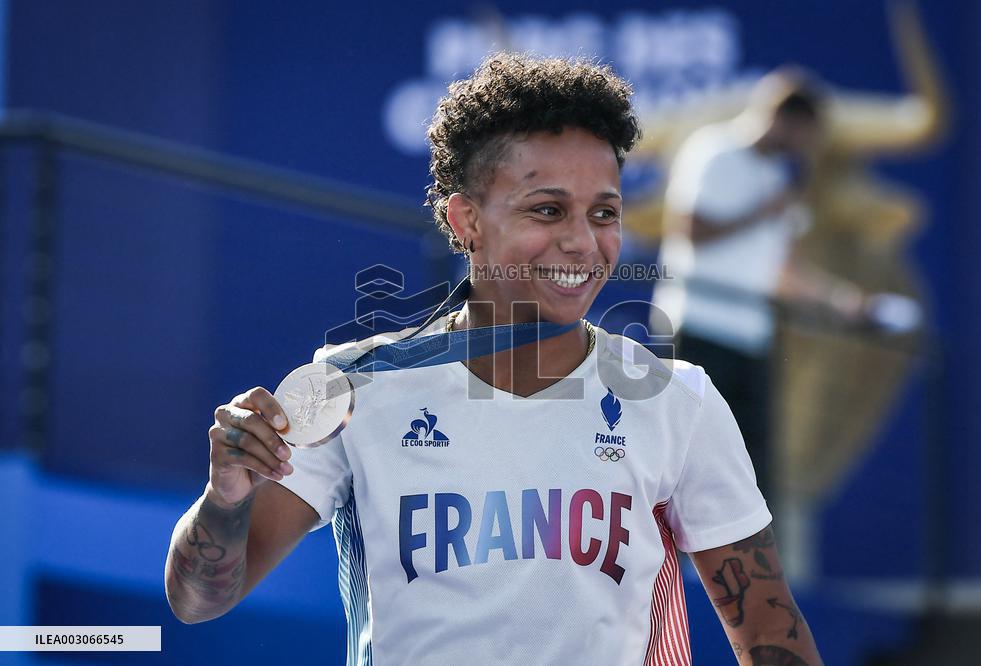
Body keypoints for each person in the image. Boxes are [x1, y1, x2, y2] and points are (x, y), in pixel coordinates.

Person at [164, 53, 822, 665]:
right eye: (547, 209)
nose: (582, 242)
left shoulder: (679, 401)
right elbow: (198, 602)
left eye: (604, 212)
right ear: (466, 220)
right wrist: (224, 502)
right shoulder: (352, 388)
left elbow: (769, 635)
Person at [651, 69, 869, 497]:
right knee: (686, 469)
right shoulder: (713, 151)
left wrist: (844, 302)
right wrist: (762, 211)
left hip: (752, 341)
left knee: (748, 475)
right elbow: (687, 229)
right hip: (697, 332)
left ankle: (741, 567)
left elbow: (780, 272)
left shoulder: (776, 179)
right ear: (785, 120)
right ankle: (670, 567)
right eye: (807, 133)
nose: (809, 146)